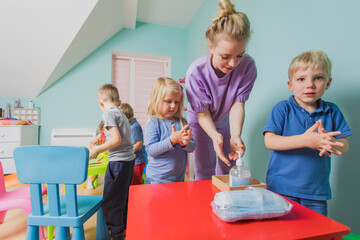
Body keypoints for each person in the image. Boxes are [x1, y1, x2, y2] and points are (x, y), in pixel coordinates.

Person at [263, 50, 353, 216]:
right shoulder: (283, 108)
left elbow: (344, 146)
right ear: (291, 85)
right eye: (301, 79)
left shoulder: (332, 111)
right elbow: (270, 141)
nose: (309, 84)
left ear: (328, 83)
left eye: (317, 78)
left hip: (316, 192)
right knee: (283, 233)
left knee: (316, 234)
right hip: (282, 189)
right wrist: (306, 140)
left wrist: (329, 142)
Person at [185, 0, 257, 180]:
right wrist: (214, 135)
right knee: (205, 167)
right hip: (200, 121)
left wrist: (236, 135)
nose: (233, 64)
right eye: (225, 57)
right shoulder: (196, 73)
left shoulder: (248, 67)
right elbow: (202, 115)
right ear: (211, 46)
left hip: (225, 119)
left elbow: (237, 105)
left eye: (239, 55)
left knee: (228, 163)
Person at [90, 84, 135, 240]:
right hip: (128, 161)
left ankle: (116, 235)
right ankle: (122, 229)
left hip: (118, 162)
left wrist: (97, 149)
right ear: (119, 101)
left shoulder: (108, 114)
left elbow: (116, 139)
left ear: (100, 103)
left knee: (110, 202)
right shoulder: (121, 113)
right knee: (121, 197)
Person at [145, 77, 196, 184]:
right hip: (156, 180)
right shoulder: (153, 122)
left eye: (176, 102)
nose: (173, 106)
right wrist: (171, 141)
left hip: (178, 179)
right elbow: (150, 150)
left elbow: (193, 147)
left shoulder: (182, 122)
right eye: (168, 101)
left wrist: (185, 143)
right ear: (156, 100)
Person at [119, 103, 146, 185]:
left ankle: (138, 194)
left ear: (125, 117)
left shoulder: (134, 127)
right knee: (133, 180)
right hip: (133, 160)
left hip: (137, 161)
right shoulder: (129, 125)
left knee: (135, 182)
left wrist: (129, 152)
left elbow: (139, 143)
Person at [87, 120, 106, 189]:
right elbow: (91, 143)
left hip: (108, 155)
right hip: (100, 154)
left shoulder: (112, 136)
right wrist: (95, 147)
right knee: (95, 168)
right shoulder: (100, 135)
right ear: (102, 128)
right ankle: (90, 181)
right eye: (105, 128)